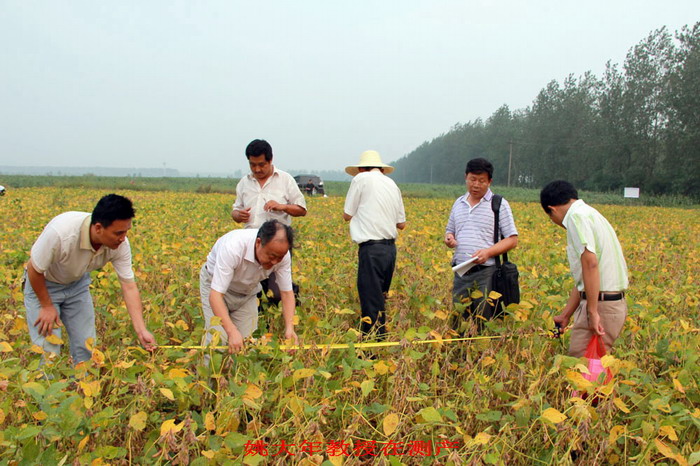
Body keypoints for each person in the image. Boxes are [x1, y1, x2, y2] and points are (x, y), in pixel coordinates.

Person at [24, 194, 156, 364]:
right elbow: (34, 269)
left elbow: (128, 286)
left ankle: (83, 380)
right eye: (118, 233)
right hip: (43, 285)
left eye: (126, 231)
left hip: (77, 285)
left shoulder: (120, 244)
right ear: (98, 228)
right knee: (48, 350)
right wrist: (47, 305)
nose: (123, 238)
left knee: (86, 346)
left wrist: (141, 330)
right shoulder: (61, 233)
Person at [540, 180, 628, 357]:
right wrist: (566, 315)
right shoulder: (591, 214)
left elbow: (590, 264)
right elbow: (586, 275)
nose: (555, 222)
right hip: (609, 303)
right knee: (594, 364)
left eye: (550, 218)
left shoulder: (575, 217)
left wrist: (593, 312)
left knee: (581, 365)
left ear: (552, 209)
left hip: (602, 306)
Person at [200, 220, 299, 353]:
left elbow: (287, 293)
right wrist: (232, 331)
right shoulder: (233, 247)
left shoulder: (282, 254)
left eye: (279, 257)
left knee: (248, 344)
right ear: (258, 243)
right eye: (271, 256)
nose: (275, 262)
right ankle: (208, 367)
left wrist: (290, 328)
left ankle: (235, 367)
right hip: (215, 287)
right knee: (218, 340)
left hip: (247, 292)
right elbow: (216, 296)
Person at [444, 158, 518, 328]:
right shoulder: (459, 203)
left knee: (483, 320)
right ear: (466, 177)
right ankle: (460, 345)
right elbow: (450, 230)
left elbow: (512, 239)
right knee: (458, 321)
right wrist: (449, 238)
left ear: (489, 181)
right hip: (461, 273)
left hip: (486, 273)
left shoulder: (498, 204)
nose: (476, 185)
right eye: (472, 179)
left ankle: (482, 345)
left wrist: (488, 252)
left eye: (481, 181)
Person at [231, 139, 306, 305]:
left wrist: (283, 206)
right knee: (249, 289)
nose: (257, 169)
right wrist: (238, 215)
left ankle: (290, 302)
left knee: (277, 292)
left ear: (270, 160)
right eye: (252, 165)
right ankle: (256, 317)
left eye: (261, 164)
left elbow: (301, 209)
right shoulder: (244, 183)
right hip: (251, 243)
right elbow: (235, 211)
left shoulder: (285, 180)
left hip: (277, 243)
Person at [343, 150, 406, 338]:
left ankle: (373, 345)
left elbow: (347, 214)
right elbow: (401, 224)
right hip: (390, 250)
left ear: (361, 169)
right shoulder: (392, 184)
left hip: (371, 249)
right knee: (380, 299)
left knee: (371, 302)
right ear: (381, 169)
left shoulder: (361, 179)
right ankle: (378, 340)